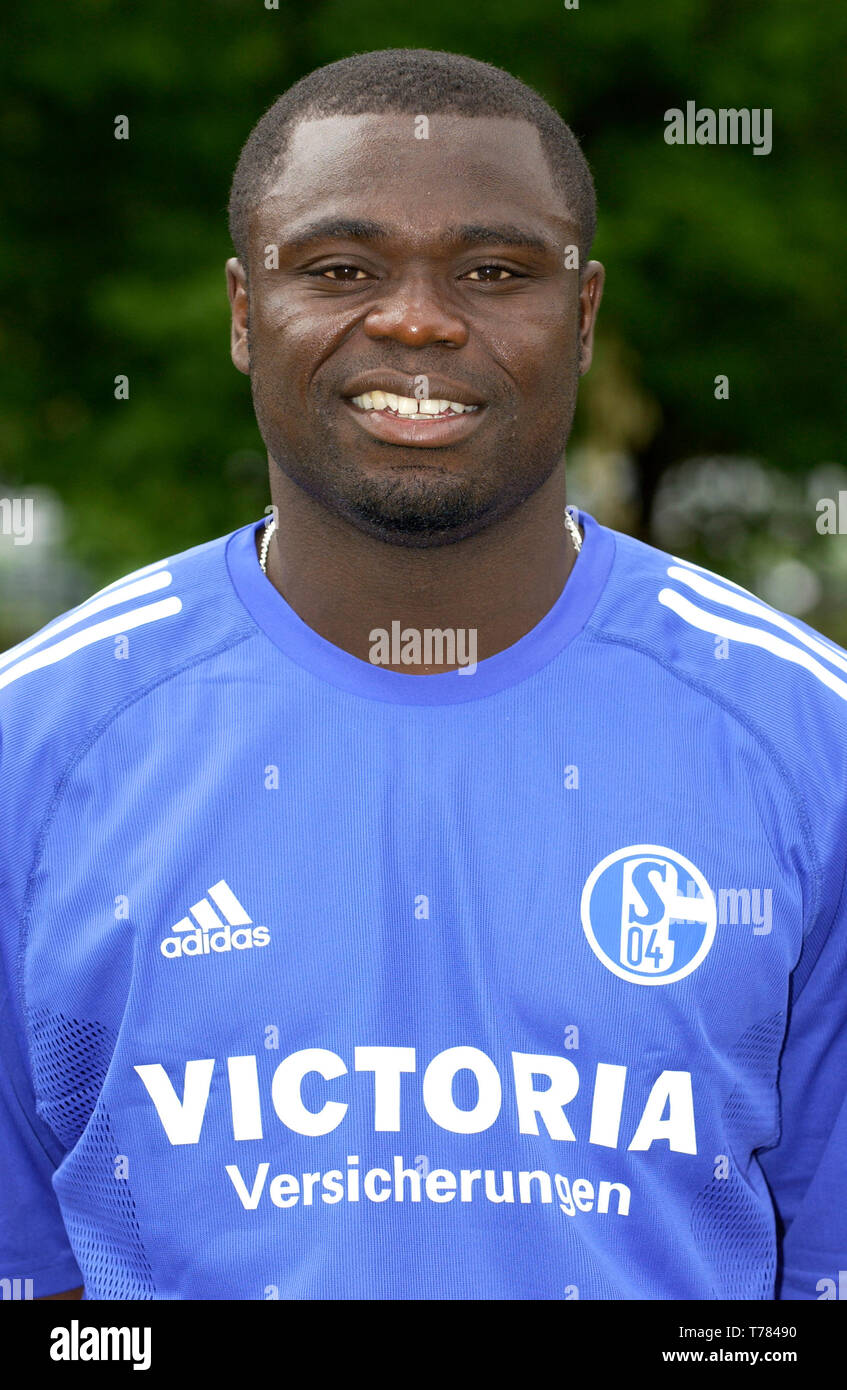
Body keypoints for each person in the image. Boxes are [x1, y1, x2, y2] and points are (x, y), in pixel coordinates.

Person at [1, 48, 844, 1302]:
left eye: (494, 272)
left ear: (585, 313)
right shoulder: (38, 746)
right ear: (243, 314)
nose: (415, 320)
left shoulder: (807, 742)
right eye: (340, 270)